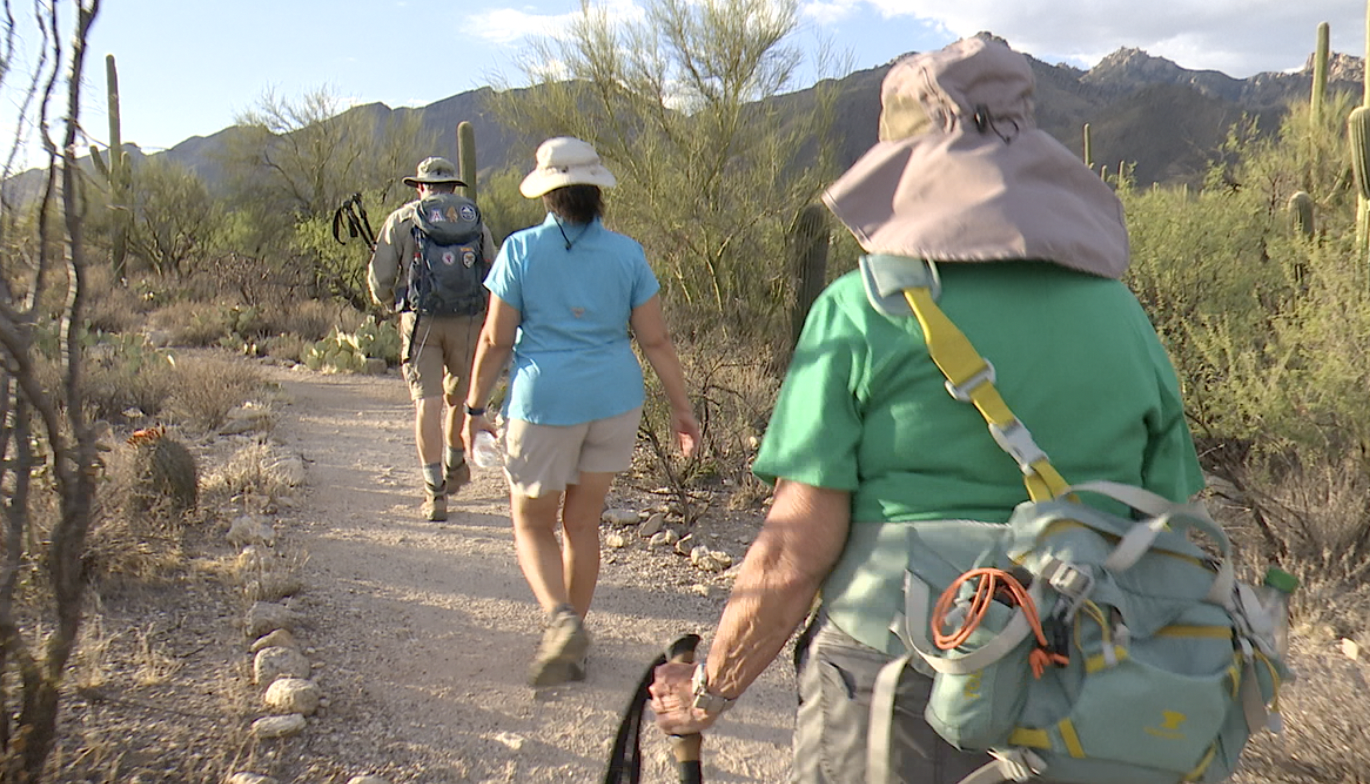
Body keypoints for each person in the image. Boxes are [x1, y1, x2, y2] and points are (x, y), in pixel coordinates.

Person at [648, 36, 1206, 783]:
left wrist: (708, 692)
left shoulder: (861, 310)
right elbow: (1174, 523)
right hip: (1083, 680)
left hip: (897, 678)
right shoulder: (1123, 317)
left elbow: (793, 551)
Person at [462, 137, 700, 687]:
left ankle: (561, 621)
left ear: (547, 195)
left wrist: (474, 407)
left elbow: (496, 340)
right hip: (614, 399)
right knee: (583, 523)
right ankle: (572, 642)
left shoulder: (520, 251)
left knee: (532, 522)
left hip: (544, 401)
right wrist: (681, 408)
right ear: (597, 191)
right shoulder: (627, 254)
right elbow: (657, 340)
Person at [368, 157, 498, 522]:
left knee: (428, 402)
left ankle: (434, 493)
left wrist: (390, 301)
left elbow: (380, 279)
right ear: (453, 187)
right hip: (468, 321)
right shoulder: (472, 218)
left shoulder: (402, 219)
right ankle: (455, 462)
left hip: (420, 321)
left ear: (421, 187)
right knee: (459, 396)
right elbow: (492, 268)